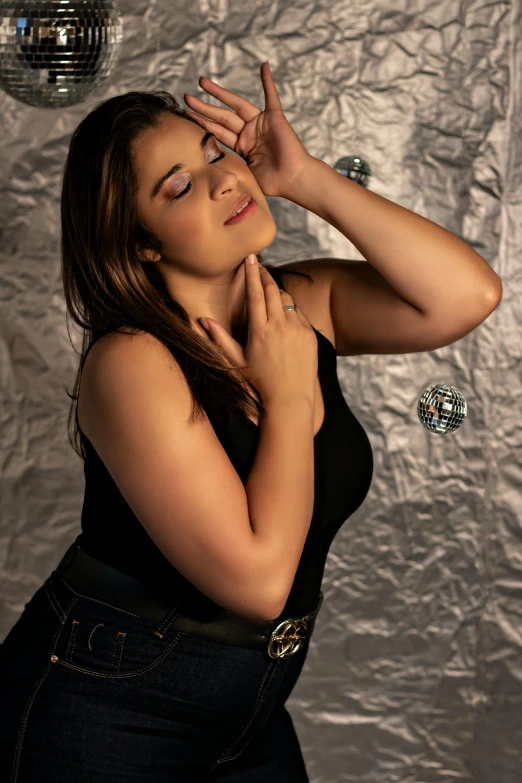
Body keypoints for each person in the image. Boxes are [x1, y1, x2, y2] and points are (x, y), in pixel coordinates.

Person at [0, 84, 373, 781]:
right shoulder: (131, 360)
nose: (226, 176)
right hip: (104, 709)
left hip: (249, 715)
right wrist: (288, 396)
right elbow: (262, 584)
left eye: (214, 152)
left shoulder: (298, 305)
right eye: (180, 187)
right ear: (140, 241)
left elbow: (467, 295)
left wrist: (305, 178)